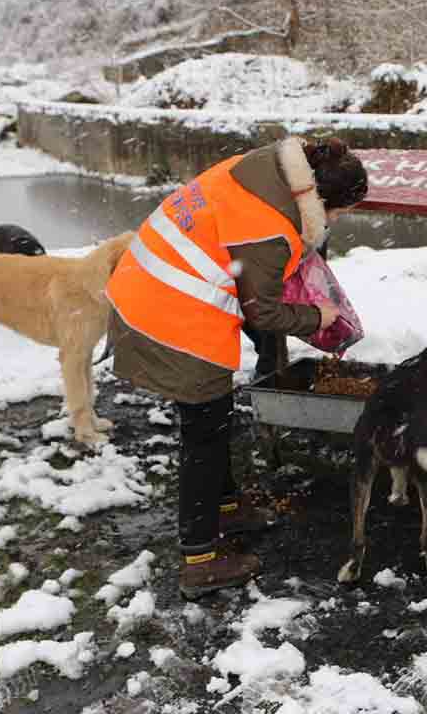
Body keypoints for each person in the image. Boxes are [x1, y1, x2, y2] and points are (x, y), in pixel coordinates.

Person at [105, 137, 368, 599]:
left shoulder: (257, 172)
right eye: (340, 212)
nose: (337, 222)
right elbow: (263, 312)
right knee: (204, 430)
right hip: (170, 315)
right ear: (320, 200)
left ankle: (224, 507)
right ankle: (200, 560)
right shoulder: (269, 230)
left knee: (216, 416)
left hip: (145, 286)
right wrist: (319, 318)